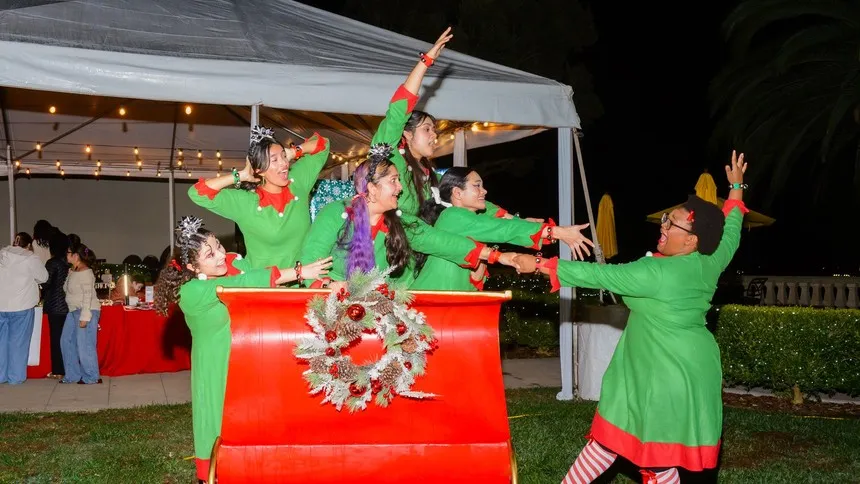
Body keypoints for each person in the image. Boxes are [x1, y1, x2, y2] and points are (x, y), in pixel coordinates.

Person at [515, 152, 749, 484]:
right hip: (693, 370)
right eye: (666, 218)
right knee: (626, 445)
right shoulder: (709, 262)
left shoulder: (654, 271)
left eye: (672, 223)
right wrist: (736, 187)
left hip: (662, 374)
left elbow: (598, 275)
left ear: (691, 240)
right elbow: (732, 233)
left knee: (645, 452)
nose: (663, 225)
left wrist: (539, 264)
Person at [153, 216, 331, 481]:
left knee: (252, 416)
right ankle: (211, 474)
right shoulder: (190, 292)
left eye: (218, 246)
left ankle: (250, 468)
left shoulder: (231, 264)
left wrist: (314, 283)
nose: (220, 255)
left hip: (246, 356)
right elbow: (248, 282)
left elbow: (258, 277)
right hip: (216, 363)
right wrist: (298, 272)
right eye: (210, 254)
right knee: (216, 419)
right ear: (192, 266)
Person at [299, 145, 521, 287]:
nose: (400, 188)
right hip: (331, 308)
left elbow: (443, 242)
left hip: (382, 309)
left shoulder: (400, 221)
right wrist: (329, 287)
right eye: (393, 181)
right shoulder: (335, 214)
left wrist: (498, 256)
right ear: (372, 188)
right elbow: (312, 261)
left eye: (399, 180)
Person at [372, 28, 530, 222]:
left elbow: (467, 195)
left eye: (435, 130)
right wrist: (426, 61)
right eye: (427, 129)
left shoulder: (430, 175)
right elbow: (398, 110)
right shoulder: (389, 159)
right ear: (407, 133)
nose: (434, 135)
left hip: (420, 240)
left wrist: (515, 220)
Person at [411, 167, 593, 290]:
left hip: (443, 306)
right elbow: (504, 229)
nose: (484, 191)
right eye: (477, 186)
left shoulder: (471, 222)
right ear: (457, 193)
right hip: (428, 306)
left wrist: (519, 222)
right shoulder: (453, 216)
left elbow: (476, 277)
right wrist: (557, 232)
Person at [189, 127, 330, 269]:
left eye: (283, 156)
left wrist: (294, 151)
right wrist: (241, 175)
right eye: (274, 160)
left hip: (306, 279)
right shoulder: (246, 203)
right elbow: (197, 193)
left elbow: (323, 143)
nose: (284, 163)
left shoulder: (298, 182)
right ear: (259, 170)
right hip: (263, 281)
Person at [0, 232, 48, 384]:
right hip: (22, 305)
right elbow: (43, 277)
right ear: (28, 245)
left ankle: (1, 376)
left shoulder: (2, 254)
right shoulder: (30, 257)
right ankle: (15, 378)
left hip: (1, 305)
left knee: (2, 342)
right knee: (18, 343)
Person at [61, 242, 102, 384]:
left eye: (68, 252)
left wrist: (85, 316)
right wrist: (70, 274)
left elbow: (87, 296)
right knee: (66, 341)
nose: (66, 255)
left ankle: (91, 376)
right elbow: (65, 289)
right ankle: (72, 375)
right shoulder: (74, 271)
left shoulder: (86, 272)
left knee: (85, 344)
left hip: (86, 310)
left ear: (76, 255)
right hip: (73, 310)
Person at [42, 232, 71, 379]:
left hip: (55, 305)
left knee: (56, 339)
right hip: (69, 305)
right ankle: (70, 368)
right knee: (68, 339)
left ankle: (58, 370)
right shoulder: (69, 263)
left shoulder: (52, 263)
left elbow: (46, 282)